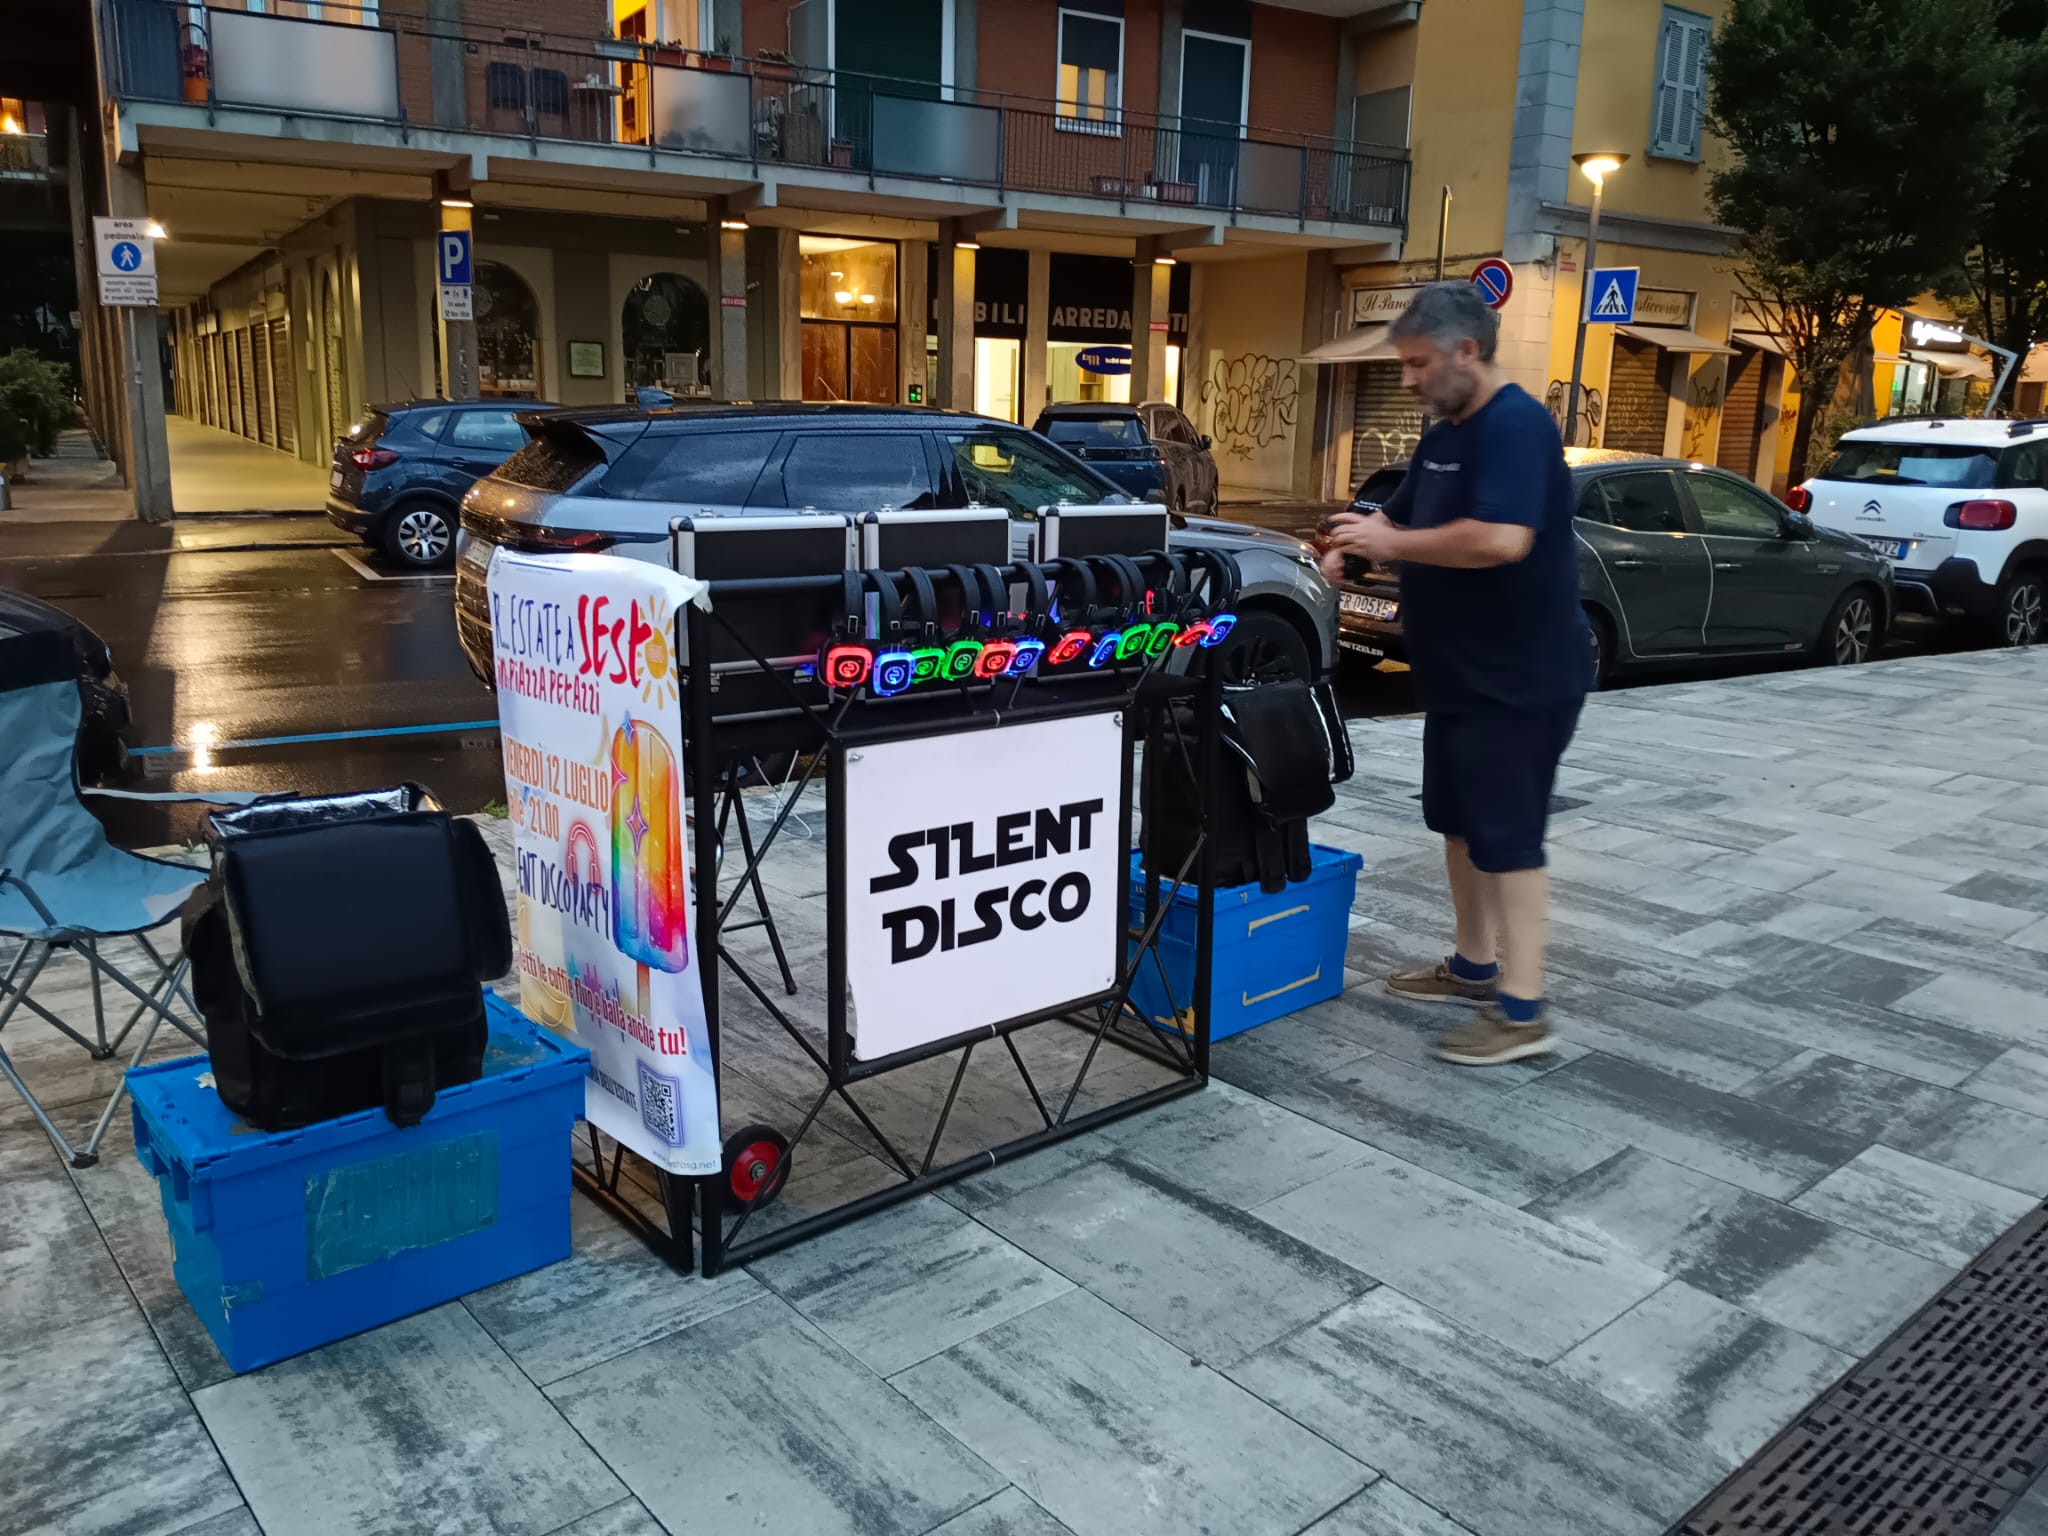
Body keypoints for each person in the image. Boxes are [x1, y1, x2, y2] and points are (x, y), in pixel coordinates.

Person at [1319, 282, 1588, 1066]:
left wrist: (1393, 545)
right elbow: (1397, 519)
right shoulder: (1445, 432)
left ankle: (1525, 1012)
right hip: (1460, 676)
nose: (1406, 380)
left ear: (1467, 352)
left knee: (1509, 837)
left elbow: (1502, 539)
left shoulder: (1515, 426)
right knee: (1459, 823)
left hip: (1520, 678)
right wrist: (1351, 541)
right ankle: (1475, 967)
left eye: (1416, 363)